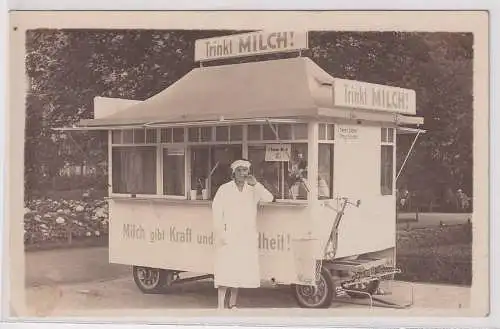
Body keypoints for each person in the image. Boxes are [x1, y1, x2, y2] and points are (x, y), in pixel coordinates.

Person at [211, 159, 274, 309]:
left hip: (246, 236)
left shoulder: (253, 189)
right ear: (233, 173)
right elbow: (216, 212)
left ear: (248, 172)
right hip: (229, 234)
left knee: (238, 270)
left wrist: (257, 184)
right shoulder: (224, 189)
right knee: (225, 270)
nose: (242, 173)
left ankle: (232, 304)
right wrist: (221, 233)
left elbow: (269, 198)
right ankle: (220, 306)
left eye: (244, 170)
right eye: (239, 170)